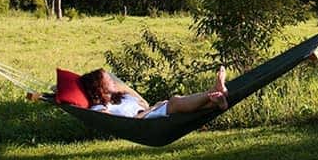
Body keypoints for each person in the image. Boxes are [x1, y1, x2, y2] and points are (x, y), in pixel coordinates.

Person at [79, 66, 228, 119]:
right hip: (145, 122)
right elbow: (127, 123)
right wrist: (153, 109)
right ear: (99, 87)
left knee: (181, 109)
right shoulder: (100, 109)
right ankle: (215, 92)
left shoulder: (121, 96)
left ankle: (218, 102)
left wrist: (152, 106)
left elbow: (143, 103)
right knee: (175, 101)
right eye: (108, 80)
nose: (113, 81)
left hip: (151, 113)